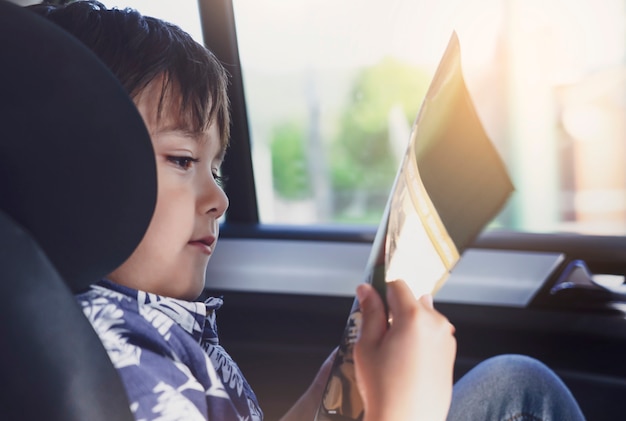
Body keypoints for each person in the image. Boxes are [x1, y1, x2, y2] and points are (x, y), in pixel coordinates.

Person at [28, 1, 587, 420]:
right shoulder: (119, 358)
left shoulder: (148, 322)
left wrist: (339, 383)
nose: (219, 199)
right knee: (522, 395)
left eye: (216, 168)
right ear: (79, 169)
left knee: (515, 381)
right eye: (180, 160)